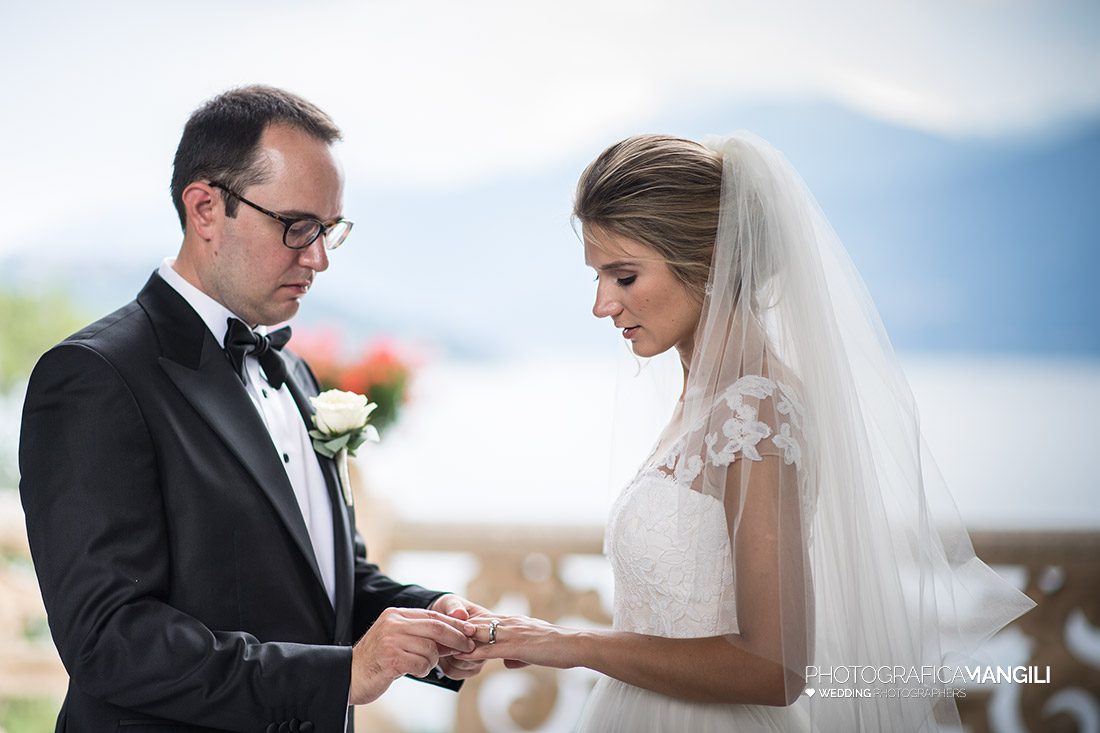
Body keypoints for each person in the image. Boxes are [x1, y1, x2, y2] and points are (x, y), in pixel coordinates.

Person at [458, 133, 1036, 731]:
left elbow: (775, 668)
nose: (602, 305)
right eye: (598, 277)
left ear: (706, 260)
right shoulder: (705, 400)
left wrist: (567, 643)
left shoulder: (755, 413)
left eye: (624, 276)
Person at [18, 85, 486, 732]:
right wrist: (341, 675)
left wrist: (436, 616)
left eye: (329, 230)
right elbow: (110, 637)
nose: (318, 257)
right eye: (297, 226)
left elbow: (323, 576)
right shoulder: (94, 376)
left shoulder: (293, 370)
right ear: (206, 208)